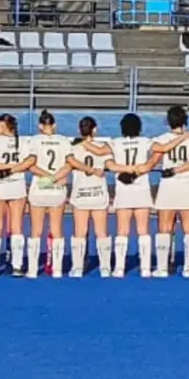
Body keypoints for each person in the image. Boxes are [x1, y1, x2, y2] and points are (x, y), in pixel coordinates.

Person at [105, 113, 158, 278]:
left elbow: (109, 163)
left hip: (124, 188)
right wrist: (147, 165)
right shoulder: (145, 142)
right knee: (143, 229)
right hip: (141, 188)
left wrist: (125, 168)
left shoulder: (115, 143)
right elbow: (161, 149)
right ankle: (146, 268)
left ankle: (119, 268)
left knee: (122, 229)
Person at [152, 106, 189, 278]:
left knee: (164, 227)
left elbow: (155, 156)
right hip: (187, 184)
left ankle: (162, 267)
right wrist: (181, 169)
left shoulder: (161, 139)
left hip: (168, 185)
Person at [0, 113, 35, 277]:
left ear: (2, 126)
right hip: (16, 185)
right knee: (17, 227)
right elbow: (29, 161)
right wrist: (14, 168)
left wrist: (6, 169)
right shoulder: (23, 142)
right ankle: (17, 265)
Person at [26, 110, 73, 278]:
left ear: (40, 126)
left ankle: (32, 270)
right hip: (57, 188)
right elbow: (69, 165)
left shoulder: (35, 140)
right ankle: (58, 269)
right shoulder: (63, 141)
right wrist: (55, 177)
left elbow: (30, 165)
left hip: (39, 187)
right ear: (54, 125)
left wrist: (46, 176)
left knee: (36, 230)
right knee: (57, 229)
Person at [66, 116, 113, 278]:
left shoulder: (73, 147)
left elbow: (68, 165)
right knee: (101, 232)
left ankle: (77, 267)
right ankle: (105, 268)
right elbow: (108, 163)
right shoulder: (102, 146)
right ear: (95, 130)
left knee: (80, 231)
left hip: (81, 193)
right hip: (98, 192)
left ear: (80, 130)